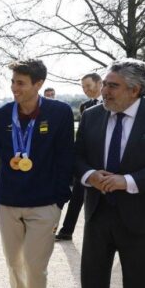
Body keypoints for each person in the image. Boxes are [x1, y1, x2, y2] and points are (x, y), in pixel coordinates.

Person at [58, 59, 145, 288]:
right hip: (98, 212)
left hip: (142, 217)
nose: (104, 91)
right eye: (105, 85)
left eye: (112, 86)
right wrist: (89, 175)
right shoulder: (92, 115)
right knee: (92, 277)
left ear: (135, 89)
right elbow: (77, 156)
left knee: (138, 285)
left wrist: (128, 181)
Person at [0, 59, 74, 288]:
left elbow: (66, 157)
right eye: (13, 81)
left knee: (36, 265)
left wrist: (59, 200)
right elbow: (5, 155)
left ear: (38, 84)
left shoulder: (59, 113)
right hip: (8, 201)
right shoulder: (1, 115)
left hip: (45, 203)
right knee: (14, 263)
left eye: (21, 83)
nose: (14, 88)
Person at [55, 72, 102, 241]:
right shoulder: (85, 106)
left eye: (88, 86)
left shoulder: (115, 103)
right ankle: (66, 231)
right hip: (87, 161)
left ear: (99, 83)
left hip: (105, 161)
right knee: (76, 197)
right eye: (83, 87)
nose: (85, 90)